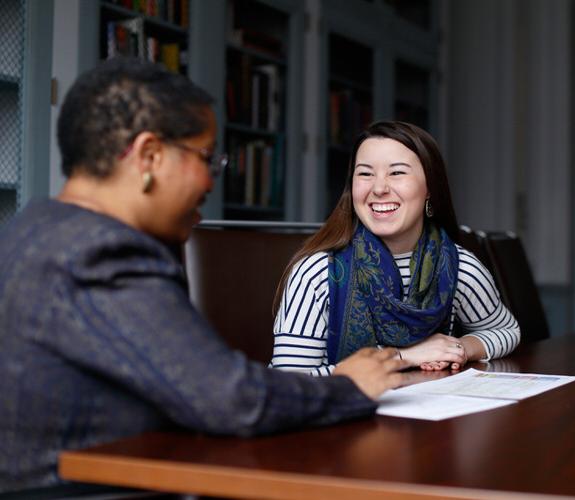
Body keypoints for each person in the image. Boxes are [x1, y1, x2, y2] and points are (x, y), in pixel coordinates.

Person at [0, 58, 407, 494]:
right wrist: (350, 386)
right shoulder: (100, 253)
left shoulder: (35, 228)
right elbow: (231, 400)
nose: (212, 181)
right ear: (149, 156)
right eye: (207, 158)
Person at [270, 121, 520, 376]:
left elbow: (506, 331)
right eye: (365, 174)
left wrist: (459, 348)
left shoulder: (458, 266)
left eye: (397, 173)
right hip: (344, 414)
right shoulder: (318, 272)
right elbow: (289, 384)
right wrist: (403, 357)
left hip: (430, 413)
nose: (379, 188)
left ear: (429, 188)